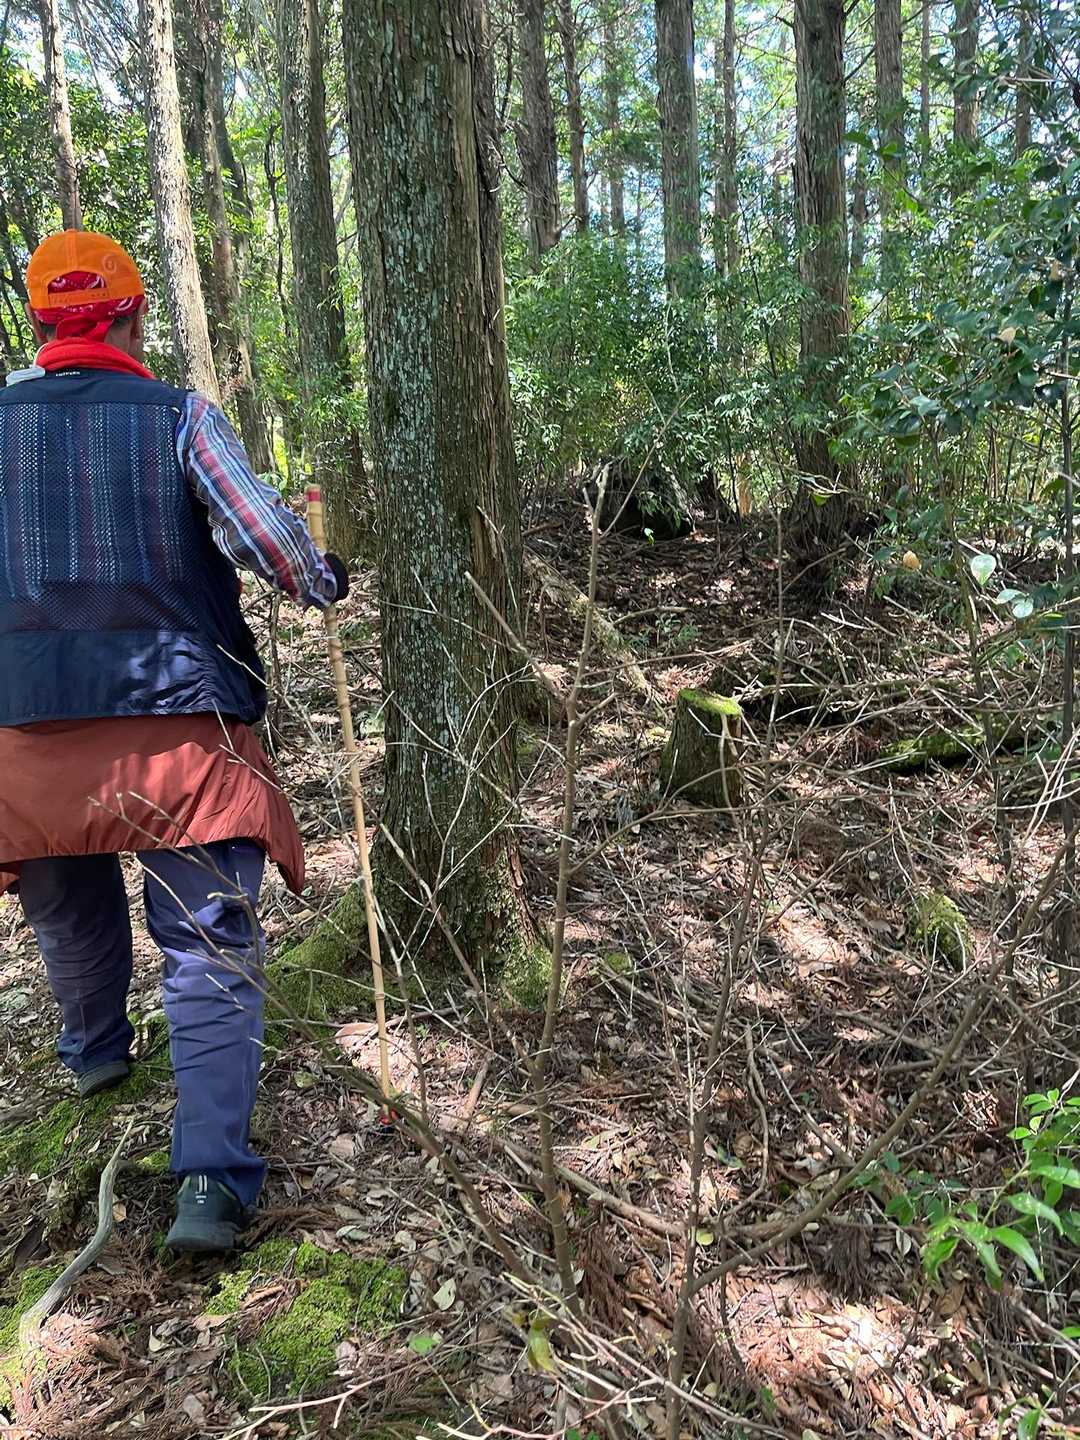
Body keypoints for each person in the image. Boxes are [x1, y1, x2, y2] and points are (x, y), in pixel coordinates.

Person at [0, 230, 349, 1253]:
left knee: (66, 893)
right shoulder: (179, 418)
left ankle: (96, 1051)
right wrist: (321, 578)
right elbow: (269, 541)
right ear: (133, 315)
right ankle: (210, 1184)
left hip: (25, 724)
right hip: (180, 725)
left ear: (41, 321)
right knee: (205, 941)